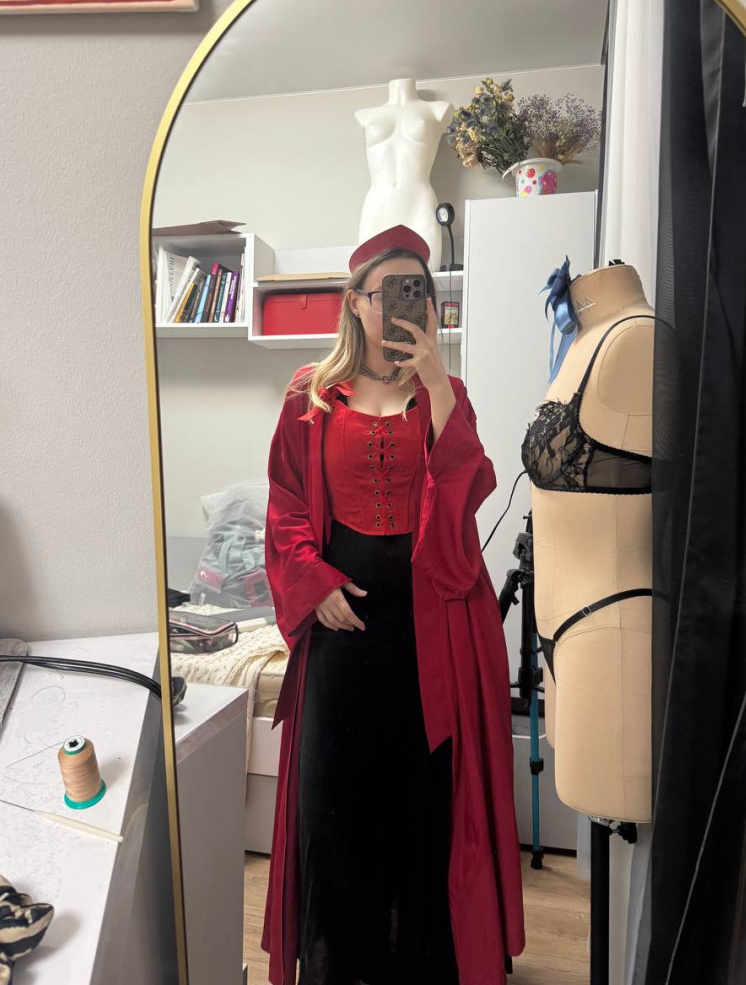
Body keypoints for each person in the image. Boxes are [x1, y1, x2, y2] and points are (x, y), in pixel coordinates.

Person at [261, 225, 525, 985]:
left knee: (423, 807)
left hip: (431, 631)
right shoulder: (310, 394)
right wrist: (314, 582)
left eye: (420, 290)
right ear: (355, 303)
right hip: (340, 632)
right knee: (335, 803)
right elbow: (284, 505)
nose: (407, 304)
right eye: (391, 292)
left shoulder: (447, 396)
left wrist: (438, 388)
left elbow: (465, 500)